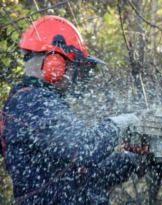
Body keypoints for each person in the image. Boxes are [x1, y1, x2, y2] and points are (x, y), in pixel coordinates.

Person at [1, 15, 149, 205]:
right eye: (73, 66)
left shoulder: (32, 103)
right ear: (55, 63)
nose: (76, 75)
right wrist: (118, 125)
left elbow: (84, 175)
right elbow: (84, 148)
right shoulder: (33, 103)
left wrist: (131, 160)